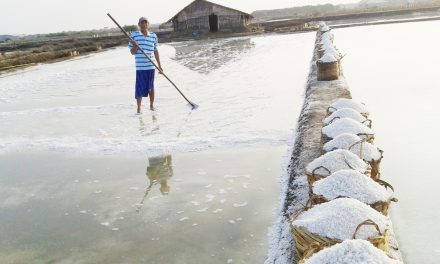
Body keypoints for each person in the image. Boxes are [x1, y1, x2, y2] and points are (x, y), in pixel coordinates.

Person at [128, 17, 163, 113]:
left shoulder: (153, 36)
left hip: (151, 66)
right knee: (139, 88)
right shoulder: (134, 36)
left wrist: (159, 66)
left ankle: (151, 106)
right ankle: (139, 108)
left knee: (151, 87)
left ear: (148, 24)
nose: (143, 24)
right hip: (140, 67)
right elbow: (132, 52)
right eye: (141, 23)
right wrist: (135, 46)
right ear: (139, 24)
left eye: (145, 22)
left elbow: (155, 51)